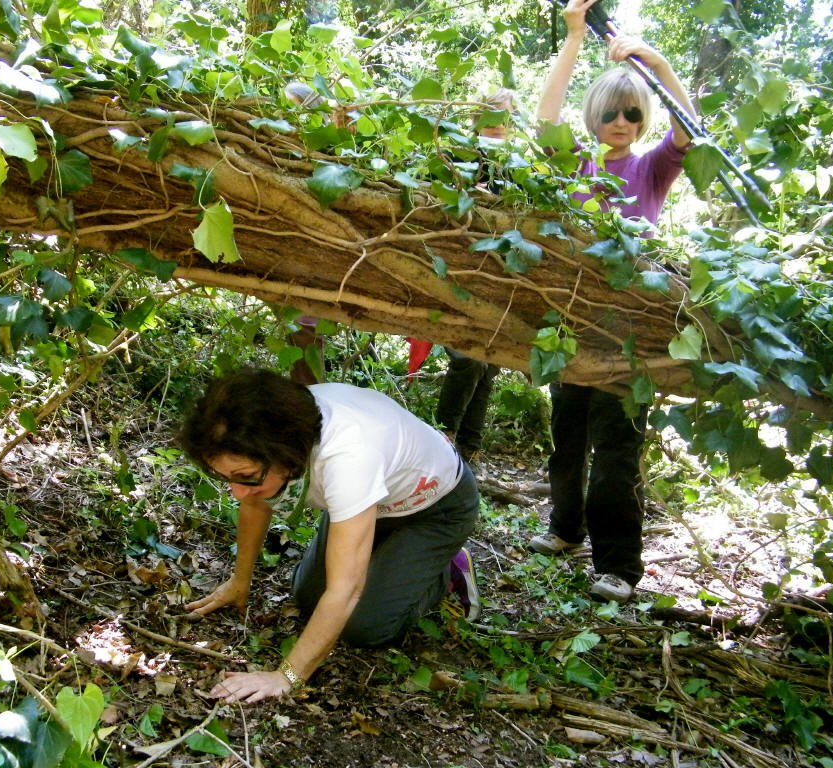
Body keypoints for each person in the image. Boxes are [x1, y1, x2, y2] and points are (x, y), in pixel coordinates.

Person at [527, 0, 696, 603]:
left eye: (632, 113)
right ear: (594, 116)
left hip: (630, 328)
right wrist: (574, 36)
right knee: (567, 439)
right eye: (610, 113)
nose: (620, 122)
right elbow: (546, 119)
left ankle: (618, 566)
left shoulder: (652, 170)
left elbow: (689, 129)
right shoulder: (576, 164)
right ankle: (565, 530)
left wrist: (657, 63)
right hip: (573, 321)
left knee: (618, 451)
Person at [179, 369, 481, 703]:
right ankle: (393, 559)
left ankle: (445, 570)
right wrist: (239, 581)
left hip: (435, 508)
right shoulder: (280, 422)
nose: (237, 492)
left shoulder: (347, 455)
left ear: (285, 454)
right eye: (227, 478)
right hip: (374, 502)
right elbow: (255, 502)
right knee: (307, 596)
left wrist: (286, 676)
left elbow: (345, 591)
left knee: (364, 626)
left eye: (246, 476)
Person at [433, 90, 517, 462]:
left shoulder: (520, 165)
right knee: (467, 356)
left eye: (504, 116)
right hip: (462, 270)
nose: (496, 123)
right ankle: (445, 434)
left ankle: (468, 449)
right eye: (489, 114)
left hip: (500, 277)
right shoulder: (459, 155)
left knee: (488, 363)